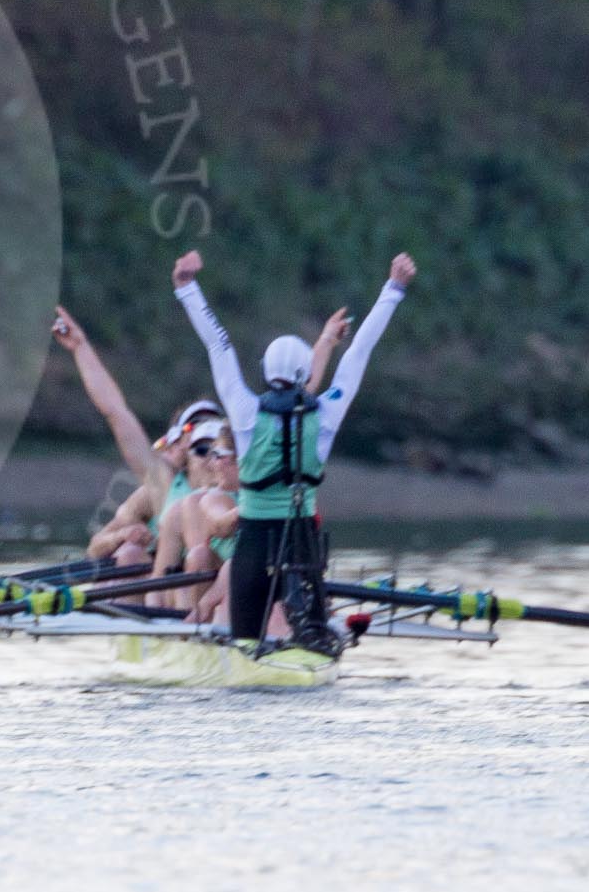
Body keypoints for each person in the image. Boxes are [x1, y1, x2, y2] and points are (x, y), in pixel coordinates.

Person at [172, 249, 416, 652]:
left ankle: (249, 651)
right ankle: (312, 639)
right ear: (306, 375)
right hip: (302, 542)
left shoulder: (245, 411)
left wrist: (187, 287)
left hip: (252, 542)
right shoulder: (328, 414)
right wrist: (393, 288)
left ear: (268, 371)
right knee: (309, 628)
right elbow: (359, 352)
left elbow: (218, 345)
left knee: (245, 642)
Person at [50, 306, 219, 569]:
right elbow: (117, 413)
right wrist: (80, 348)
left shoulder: (239, 482)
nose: (205, 436)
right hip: (169, 594)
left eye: (213, 427)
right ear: (181, 443)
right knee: (130, 553)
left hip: (208, 587)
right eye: (194, 428)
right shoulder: (164, 483)